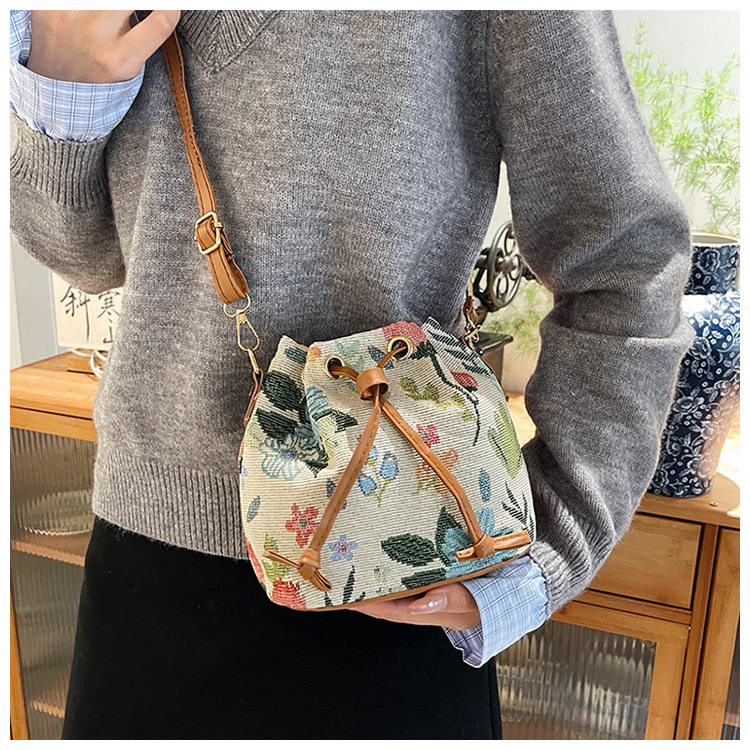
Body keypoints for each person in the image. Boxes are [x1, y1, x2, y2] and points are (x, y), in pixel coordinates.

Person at [9, 10, 693, 741]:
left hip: (392, 570)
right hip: (142, 567)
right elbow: (86, 255)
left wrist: (555, 538)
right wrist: (64, 84)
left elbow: (627, 263)